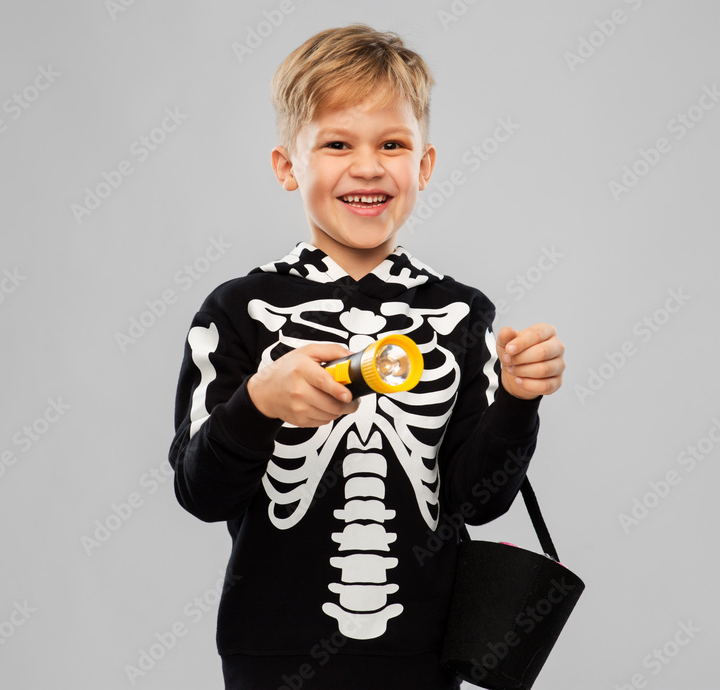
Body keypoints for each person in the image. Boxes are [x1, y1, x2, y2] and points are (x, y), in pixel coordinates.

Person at [168, 24, 566, 690]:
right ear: (287, 165)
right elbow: (200, 492)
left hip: (426, 658)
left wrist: (520, 401)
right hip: (270, 659)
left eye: (392, 144)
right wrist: (258, 405)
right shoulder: (237, 310)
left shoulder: (463, 314)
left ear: (425, 165)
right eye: (335, 143)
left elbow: (480, 497)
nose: (367, 166)